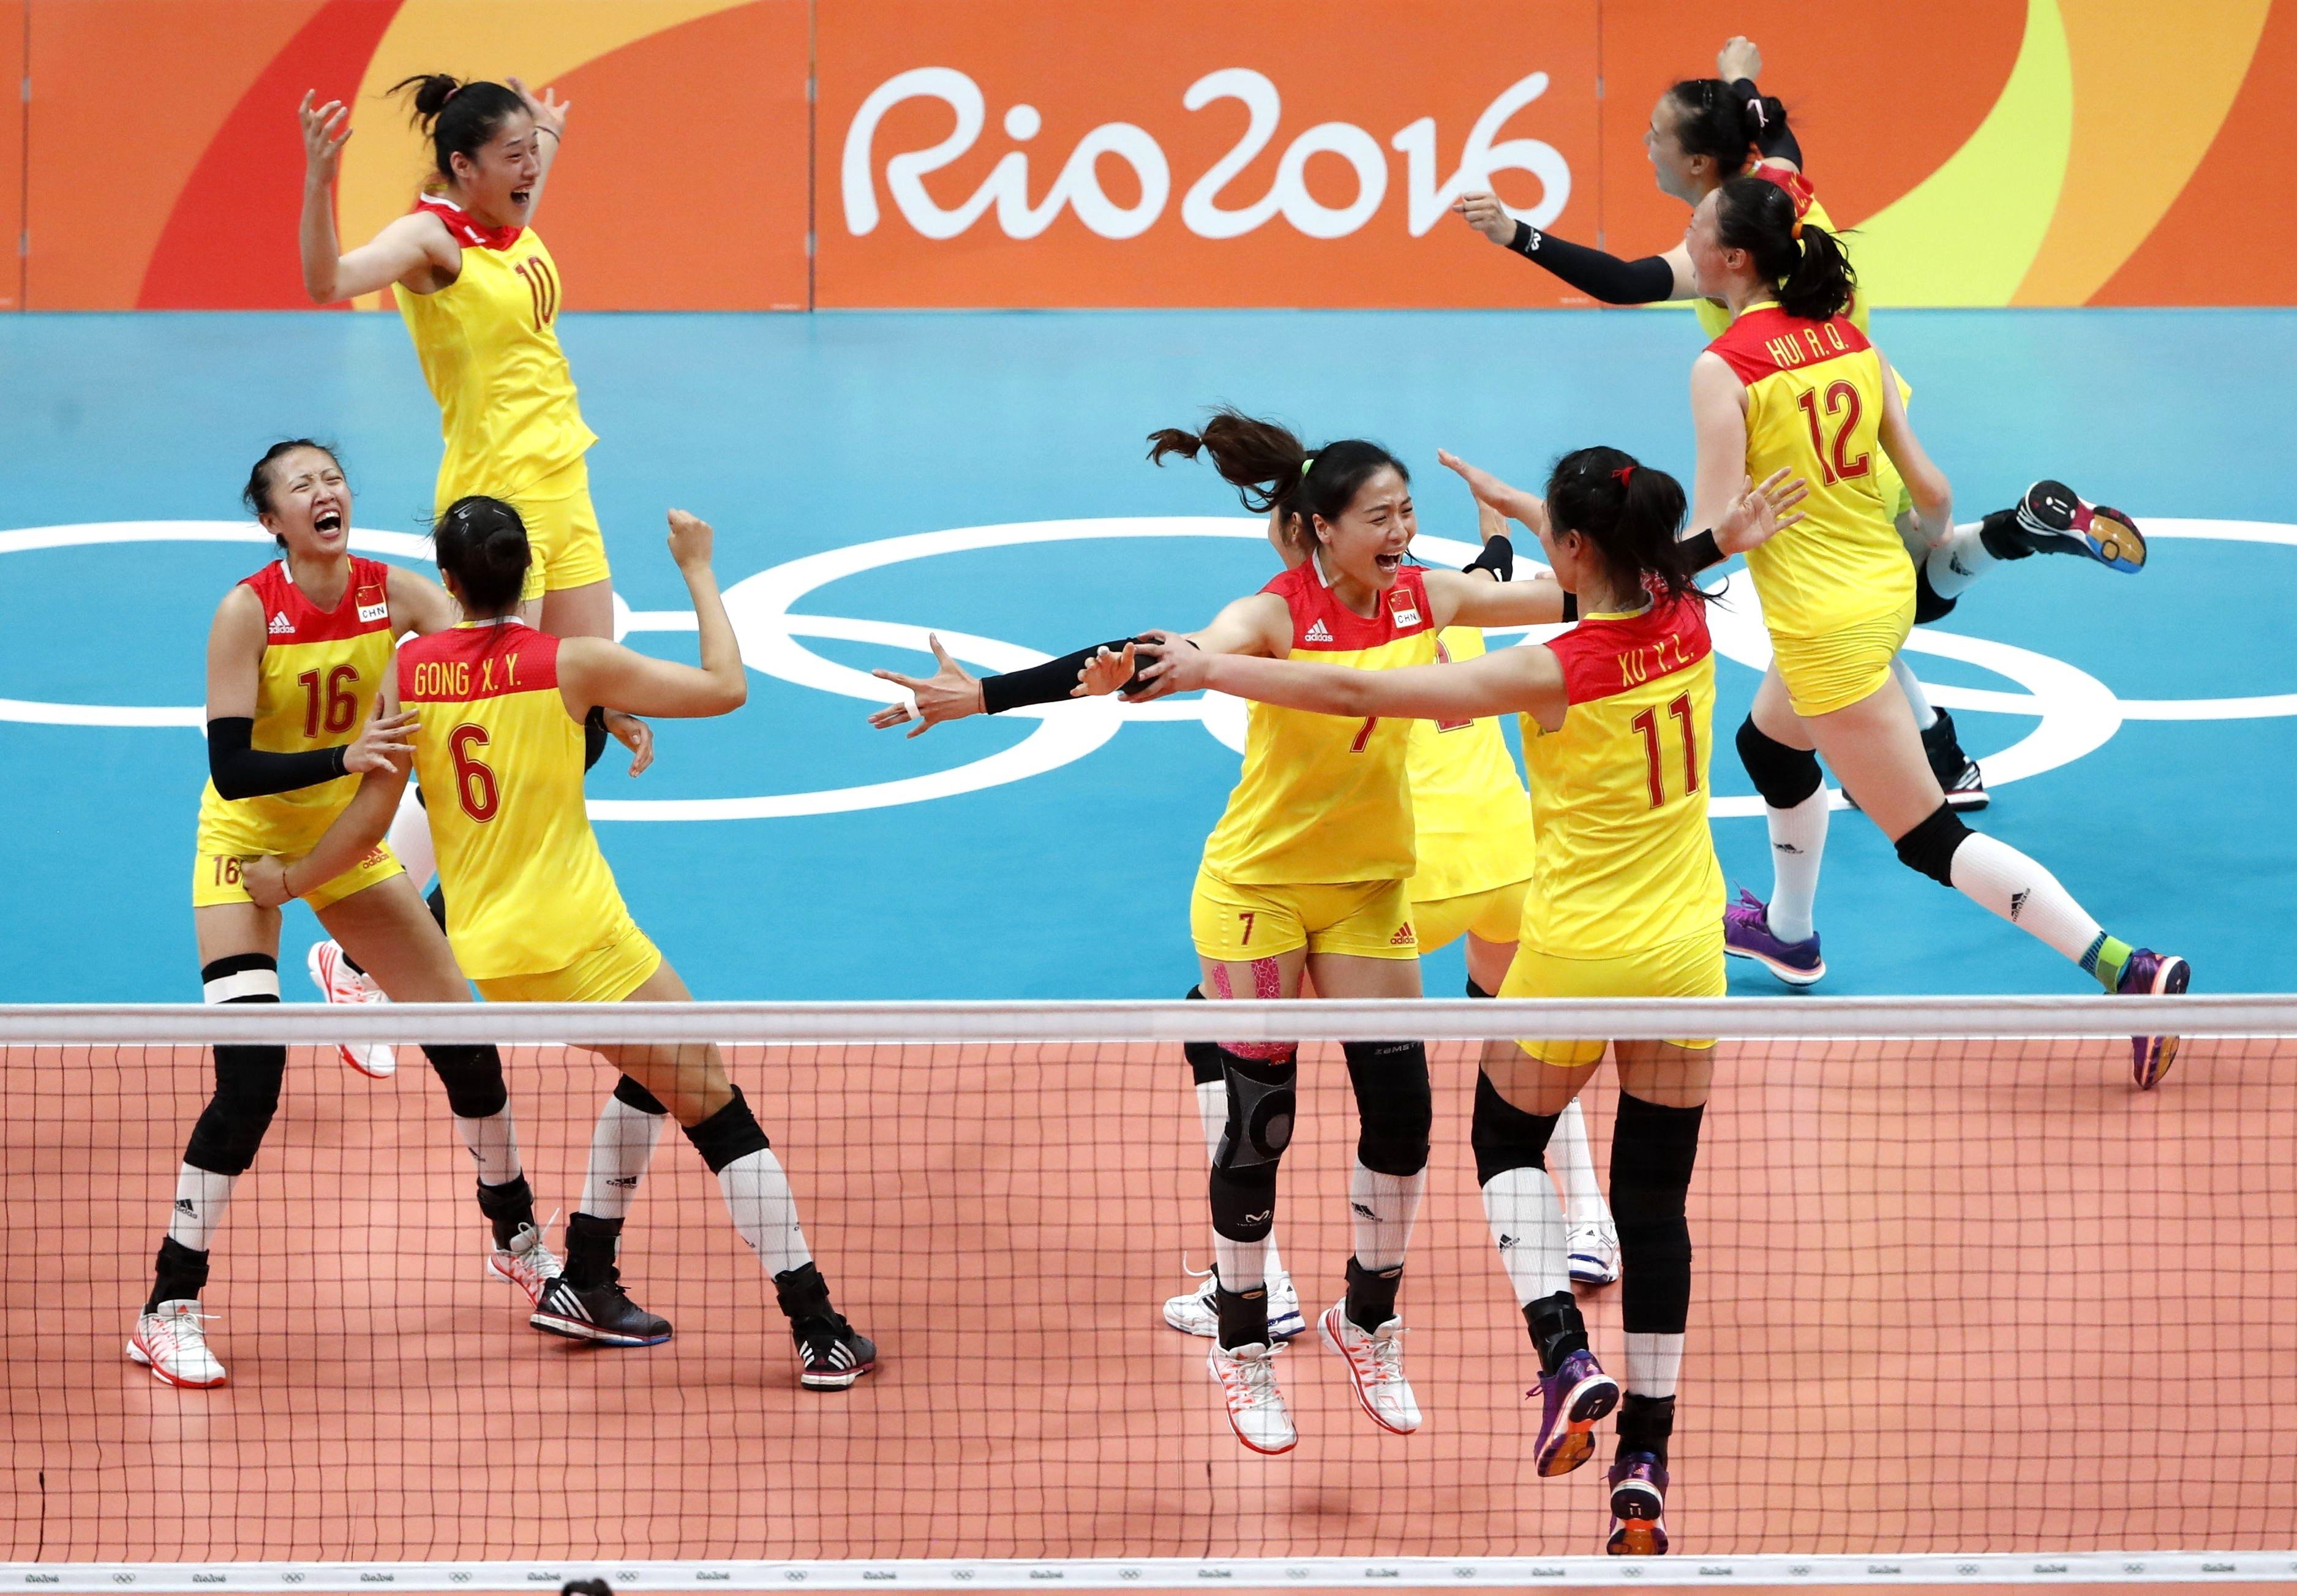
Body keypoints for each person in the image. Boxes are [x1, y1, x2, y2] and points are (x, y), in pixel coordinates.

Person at [1129, 447, 1797, 1556]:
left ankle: (1559, 1349)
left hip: (1580, 950)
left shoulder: (1555, 665)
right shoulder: (1685, 612)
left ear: (1574, 551)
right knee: (1655, 1207)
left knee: (1502, 1139)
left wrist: (1210, 669)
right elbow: (1639, 558)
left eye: (1554, 537)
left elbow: (1354, 686)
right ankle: (1648, 1456)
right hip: (1688, 952)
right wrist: (1683, 532)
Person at [245, 500, 876, 1389]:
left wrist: (291, 879)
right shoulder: (571, 663)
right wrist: (697, 566)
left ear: (451, 583)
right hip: (582, 942)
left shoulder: (412, 666)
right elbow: (726, 686)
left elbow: (370, 824)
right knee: (713, 1101)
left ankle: (585, 1273)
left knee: (655, 1065)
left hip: (490, 954)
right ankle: (817, 1322)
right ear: (528, 574)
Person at [1453, 34, 2144, 815]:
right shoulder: (1784, 203)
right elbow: (1777, 137)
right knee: (1888, 602)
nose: (1644, 145)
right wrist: (1743, 85)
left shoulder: (1718, 261)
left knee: (1855, 619)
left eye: (1657, 135)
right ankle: (2005, 565)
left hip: (1800, 459)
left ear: (1697, 169)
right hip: (1868, 421)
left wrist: (1517, 234)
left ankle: (1949, 738)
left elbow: (1621, 280)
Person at [1683, 176, 2189, 1084]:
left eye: (1693, 232)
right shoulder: (1850, 342)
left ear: (1730, 259)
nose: (1680, 245)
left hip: (1823, 630)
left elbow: (1716, 530)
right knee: (1766, 745)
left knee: (1927, 840)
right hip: (1881, 590)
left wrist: (1636, 576)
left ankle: (2123, 968)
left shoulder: (1722, 368)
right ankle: (1789, 936)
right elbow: (1933, 496)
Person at [132, 440, 558, 1390]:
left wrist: (597, 711)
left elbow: (495, 653)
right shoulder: (246, 612)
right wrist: (349, 756)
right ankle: (166, 1305)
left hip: (347, 843)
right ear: (271, 520)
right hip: (245, 854)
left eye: (333, 478)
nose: (324, 493)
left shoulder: (393, 593)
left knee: (464, 1036)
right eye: (301, 486)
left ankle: (519, 1238)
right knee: (251, 1078)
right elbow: (231, 768)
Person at [295, 72, 649, 1016]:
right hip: (501, 513)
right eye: (515, 155)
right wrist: (318, 179)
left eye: (535, 152)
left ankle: (401, 950)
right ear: (463, 167)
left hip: (566, 488)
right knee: (483, 728)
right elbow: (326, 281)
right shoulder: (430, 241)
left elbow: (521, 212)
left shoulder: (506, 213)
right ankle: (365, 959)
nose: (531, 167)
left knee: (579, 734)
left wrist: (549, 138)